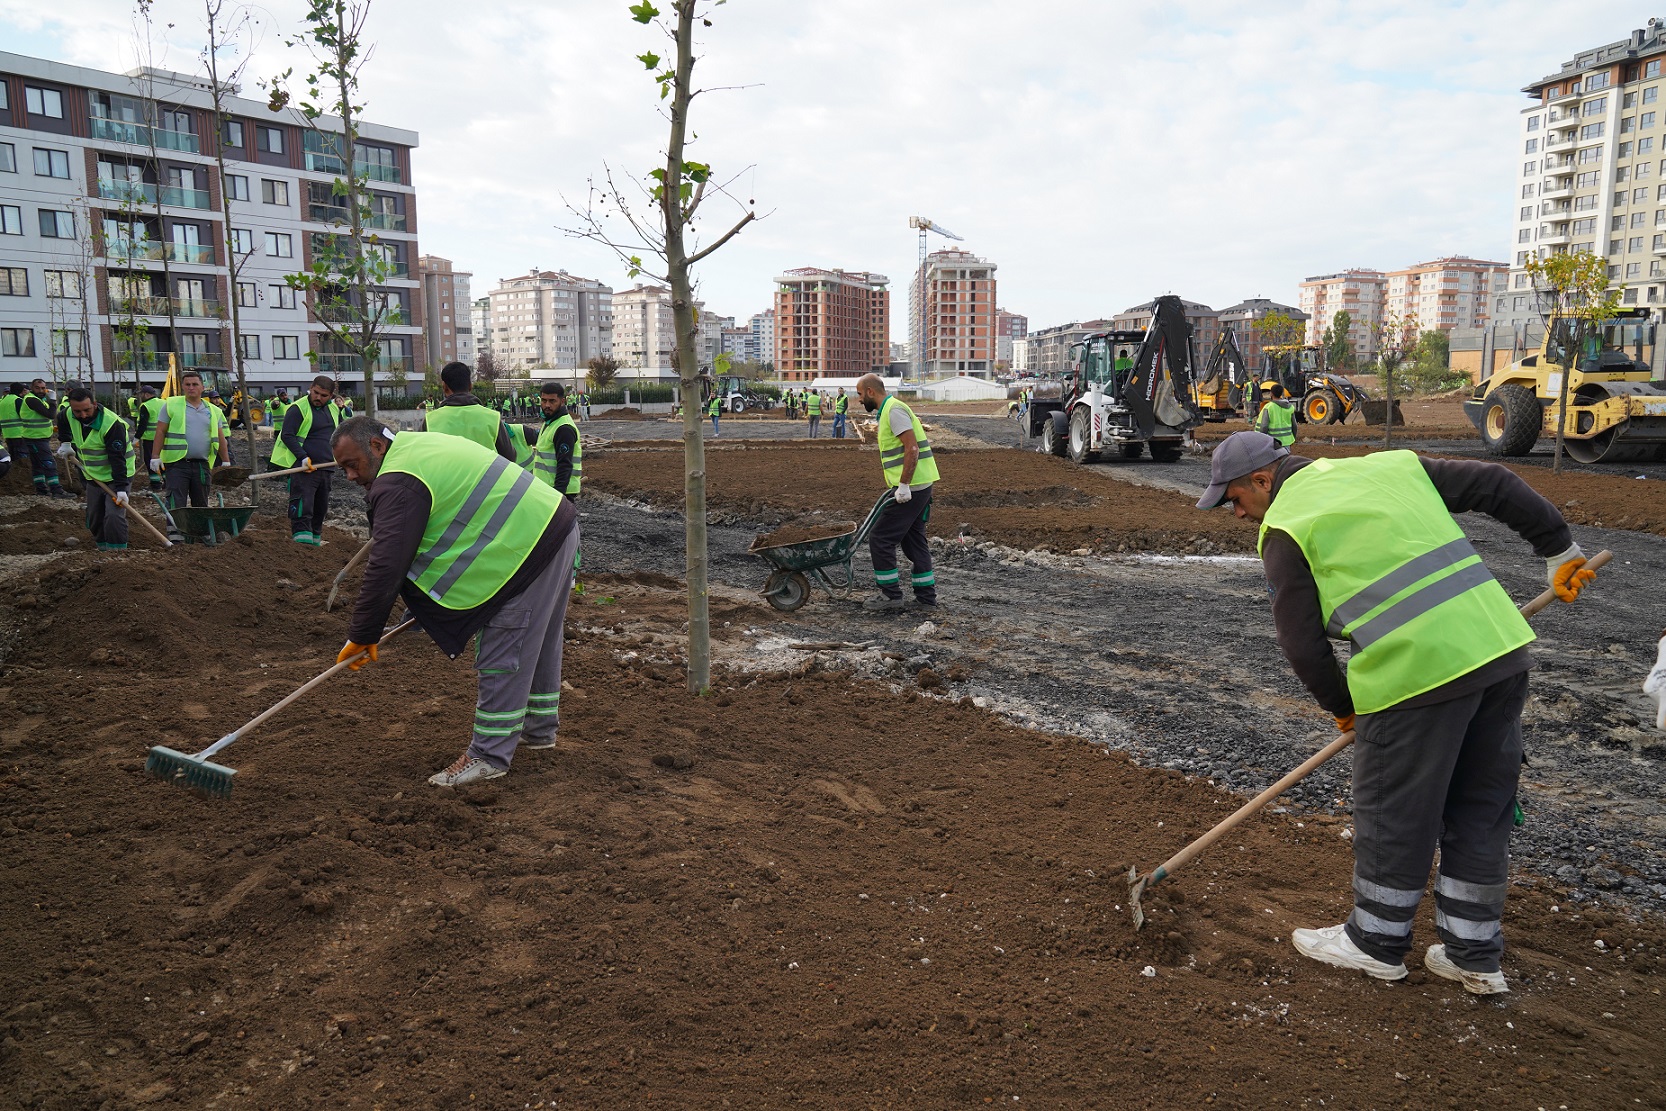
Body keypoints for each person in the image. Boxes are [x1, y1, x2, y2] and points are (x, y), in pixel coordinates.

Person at [1195, 430, 1598, 995]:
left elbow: (1302, 644)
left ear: (1263, 480)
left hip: (1415, 679)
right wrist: (1560, 550)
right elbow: (1494, 482)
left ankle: (1376, 944)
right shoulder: (1388, 468)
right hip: (1499, 655)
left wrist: (1343, 708)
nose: (1235, 512)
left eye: (1234, 498)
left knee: (1395, 811)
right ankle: (1474, 955)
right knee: (1479, 809)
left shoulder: (1286, 527)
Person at [330, 417, 580, 787]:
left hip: (523, 547)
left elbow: (387, 565)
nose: (349, 476)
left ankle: (488, 756)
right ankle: (538, 730)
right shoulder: (416, 448)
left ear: (377, 447)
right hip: (553, 527)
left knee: (505, 645)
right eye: (342, 469)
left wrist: (363, 633)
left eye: (353, 464)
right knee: (539, 642)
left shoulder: (399, 482)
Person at [854, 373, 939, 612]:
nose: (859, 400)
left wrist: (903, 485)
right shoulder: (889, 410)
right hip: (919, 485)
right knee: (914, 542)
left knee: (880, 538)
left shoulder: (893, 410)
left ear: (870, 391)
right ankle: (926, 599)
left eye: (860, 394)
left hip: (912, 487)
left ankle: (890, 595)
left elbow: (911, 449)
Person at [56, 388, 133, 551]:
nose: (83, 415)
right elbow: (62, 418)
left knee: (113, 515)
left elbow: (117, 460)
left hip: (117, 475)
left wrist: (121, 489)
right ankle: (102, 549)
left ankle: (117, 552)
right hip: (92, 475)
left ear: (95, 404)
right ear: (71, 407)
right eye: (78, 411)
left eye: (87, 410)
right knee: (95, 516)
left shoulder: (112, 425)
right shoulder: (68, 413)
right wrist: (65, 442)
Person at [273, 375, 346, 546]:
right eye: (316, 393)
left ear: (331, 396)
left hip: (326, 468)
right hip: (304, 468)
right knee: (303, 505)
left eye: (323, 395)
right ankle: (301, 545)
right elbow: (287, 435)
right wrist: (303, 457)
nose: (318, 398)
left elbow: (340, 435)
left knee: (320, 509)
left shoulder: (334, 410)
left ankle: (314, 543)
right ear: (311, 388)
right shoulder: (298, 408)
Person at [150, 369, 232, 520]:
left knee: (201, 503)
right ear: (183, 387)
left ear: (202, 387)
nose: (191, 387)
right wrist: (155, 456)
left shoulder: (214, 411)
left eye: (195, 384)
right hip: (177, 464)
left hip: (202, 465)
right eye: (187, 384)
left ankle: (199, 535)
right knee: (176, 502)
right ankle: (176, 535)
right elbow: (160, 431)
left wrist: (226, 461)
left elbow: (220, 438)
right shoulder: (171, 405)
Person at [420, 361, 516, 459]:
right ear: (470, 385)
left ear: (444, 387)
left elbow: (421, 458)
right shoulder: (493, 418)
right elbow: (510, 457)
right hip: (485, 474)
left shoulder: (430, 421)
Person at [18, 380, 67, 498]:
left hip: (36, 437)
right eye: (37, 388)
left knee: (37, 465)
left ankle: (41, 489)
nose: (41, 390)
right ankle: (56, 490)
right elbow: (50, 414)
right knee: (49, 463)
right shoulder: (31, 400)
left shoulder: (39, 400)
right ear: (31, 388)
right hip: (35, 437)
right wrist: (54, 400)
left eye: (43, 388)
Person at [534, 382, 582, 497]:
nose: (547, 405)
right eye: (544, 400)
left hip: (558, 492)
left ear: (562, 401)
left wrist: (558, 495)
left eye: (552, 401)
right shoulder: (551, 422)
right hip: (547, 489)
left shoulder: (563, 428)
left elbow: (564, 465)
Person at [133, 385, 164, 491]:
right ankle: (167, 482)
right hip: (164, 438)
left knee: (151, 461)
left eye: (141, 394)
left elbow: (143, 424)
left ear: (146, 394)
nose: (140, 396)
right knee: (163, 460)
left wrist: (137, 437)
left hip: (150, 439)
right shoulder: (163, 403)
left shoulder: (145, 406)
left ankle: (155, 484)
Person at [1255, 383, 1297, 447]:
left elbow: (1264, 426)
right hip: (1287, 442)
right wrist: (1292, 438)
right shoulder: (1290, 407)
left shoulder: (1268, 407)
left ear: (1271, 393)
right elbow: (1294, 426)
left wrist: (1261, 441)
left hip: (1273, 442)